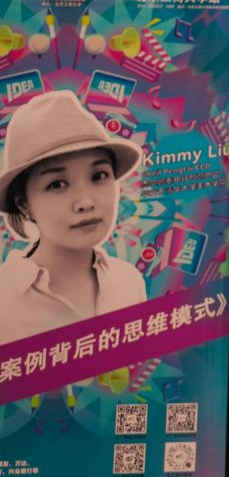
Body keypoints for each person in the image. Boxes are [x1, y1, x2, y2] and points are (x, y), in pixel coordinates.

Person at [0, 90, 147, 347]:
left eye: (98, 176)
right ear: (23, 203)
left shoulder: (129, 281)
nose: (85, 202)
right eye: (57, 184)